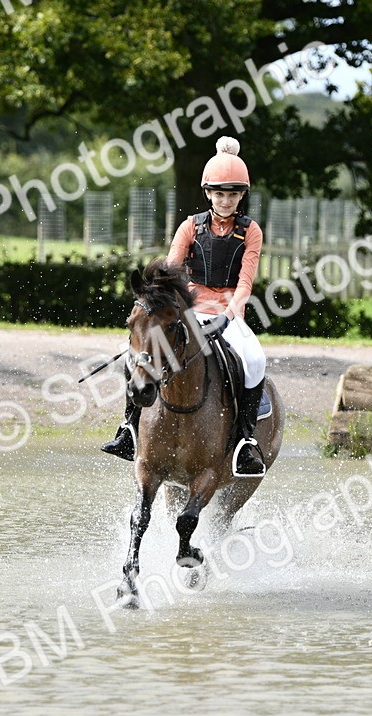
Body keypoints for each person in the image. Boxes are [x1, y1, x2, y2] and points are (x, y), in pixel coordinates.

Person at [102, 136, 268, 477]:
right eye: (219, 194)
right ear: (208, 193)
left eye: (233, 194)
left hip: (228, 312)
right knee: (134, 351)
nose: (225, 201)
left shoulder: (251, 231)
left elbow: (245, 283)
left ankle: (245, 443)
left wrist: (227, 317)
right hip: (188, 311)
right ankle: (128, 429)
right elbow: (170, 273)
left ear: (241, 196)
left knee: (254, 359)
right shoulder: (190, 226)